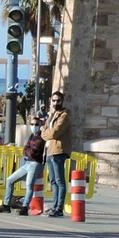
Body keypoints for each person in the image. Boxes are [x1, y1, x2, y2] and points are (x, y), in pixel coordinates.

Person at [0, 124, 44, 212]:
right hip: (27, 163)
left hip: (36, 163)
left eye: (36, 124)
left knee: (29, 185)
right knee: (10, 180)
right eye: (32, 124)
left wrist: (28, 151)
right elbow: (26, 149)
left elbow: (33, 151)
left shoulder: (42, 138)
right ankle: (6, 205)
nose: (34, 126)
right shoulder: (32, 136)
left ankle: (24, 207)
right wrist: (28, 151)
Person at [41, 89, 72, 217]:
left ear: (62, 101)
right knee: (53, 180)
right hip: (49, 150)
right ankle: (54, 206)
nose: (55, 102)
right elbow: (46, 129)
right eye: (53, 100)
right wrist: (46, 131)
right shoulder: (52, 115)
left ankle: (59, 208)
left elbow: (54, 132)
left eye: (58, 100)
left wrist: (44, 133)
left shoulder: (64, 115)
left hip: (58, 150)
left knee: (60, 180)